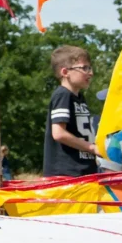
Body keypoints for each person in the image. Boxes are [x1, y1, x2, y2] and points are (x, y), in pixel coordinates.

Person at [43, 46, 98, 177]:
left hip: (83, 170)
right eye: (85, 68)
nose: (90, 73)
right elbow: (59, 133)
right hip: (66, 173)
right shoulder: (63, 95)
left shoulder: (80, 98)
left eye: (90, 68)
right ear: (65, 72)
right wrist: (91, 147)